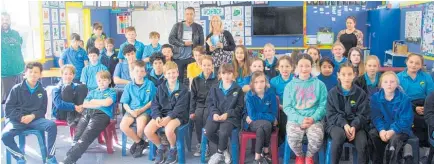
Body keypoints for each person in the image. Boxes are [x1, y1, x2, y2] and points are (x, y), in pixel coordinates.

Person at [2, 62, 58, 164]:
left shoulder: (42, 91)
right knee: (4, 136)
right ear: (25, 74)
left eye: (36, 72)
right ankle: (20, 158)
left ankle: (50, 157)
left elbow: (42, 110)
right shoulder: (16, 89)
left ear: (40, 75)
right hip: (17, 120)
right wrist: (20, 117)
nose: (33, 74)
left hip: (34, 120)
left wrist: (32, 116)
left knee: (51, 125)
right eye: (30, 72)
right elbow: (8, 109)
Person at [62, 71, 117, 164]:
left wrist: (94, 101)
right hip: (87, 113)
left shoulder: (112, 91)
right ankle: (70, 156)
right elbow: (85, 104)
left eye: (104, 80)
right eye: (99, 81)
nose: (102, 82)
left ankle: (69, 160)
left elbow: (107, 103)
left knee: (85, 137)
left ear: (109, 81)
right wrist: (99, 103)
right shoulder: (93, 91)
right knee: (77, 136)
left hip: (102, 115)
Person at [283, 54, 327, 164]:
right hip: (295, 119)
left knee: (317, 138)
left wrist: (313, 118)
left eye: (307, 66)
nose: (304, 69)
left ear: (311, 66)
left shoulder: (320, 84)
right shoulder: (289, 86)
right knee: (292, 138)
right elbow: (287, 107)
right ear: (296, 67)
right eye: (301, 66)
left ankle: (309, 156)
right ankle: (300, 156)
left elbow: (323, 105)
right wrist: (300, 119)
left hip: (314, 119)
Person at [144, 61, 189, 164]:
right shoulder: (161, 88)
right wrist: (157, 116)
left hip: (178, 116)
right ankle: (161, 147)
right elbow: (155, 104)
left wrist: (169, 118)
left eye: (174, 73)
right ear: (164, 75)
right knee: (147, 131)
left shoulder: (183, 89)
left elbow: (180, 108)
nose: (171, 75)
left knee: (169, 130)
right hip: (162, 115)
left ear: (178, 73)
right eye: (168, 73)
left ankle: (173, 149)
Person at [326, 62, 370, 164]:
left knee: (362, 143)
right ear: (338, 75)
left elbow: (363, 114)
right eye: (343, 74)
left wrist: (354, 126)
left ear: (354, 75)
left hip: (357, 126)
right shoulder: (332, 93)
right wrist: (344, 124)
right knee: (339, 136)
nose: (346, 77)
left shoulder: (361, 94)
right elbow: (331, 114)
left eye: (350, 74)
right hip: (336, 124)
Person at [370, 71, 414, 164]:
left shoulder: (404, 99)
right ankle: (379, 160)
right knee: (373, 134)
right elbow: (376, 116)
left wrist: (392, 130)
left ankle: (392, 161)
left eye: (392, 81)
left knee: (394, 140)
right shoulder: (375, 97)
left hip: (400, 129)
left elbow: (406, 119)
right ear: (381, 84)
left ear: (397, 84)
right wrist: (381, 130)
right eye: (385, 82)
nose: (389, 84)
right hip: (383, 128)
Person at [205, 63, 244, 164]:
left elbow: (240, 107)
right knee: (208, 132)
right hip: (216, 115)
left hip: (231, 117)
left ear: (234, 74)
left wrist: (228, 114)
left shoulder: (238, 89)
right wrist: (214, 113)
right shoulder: (214, 88)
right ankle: (224, 148)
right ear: (219, 74)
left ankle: (219, 153)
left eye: (229, 73)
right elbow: (209, 103)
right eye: (224, 73)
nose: (227, 76)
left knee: (223, 132)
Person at [397, 53, 434, 152]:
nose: (414, 65)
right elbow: (399, 98)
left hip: (425, 104)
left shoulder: (426, 76)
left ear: (421, 65)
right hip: (407, 105)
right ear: (406, 62)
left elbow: (431, 95)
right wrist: (414, 108)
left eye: (417, 63)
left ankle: (428, 147)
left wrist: (426, 108)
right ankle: (412, 148)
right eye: (411, 62)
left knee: (429, 118)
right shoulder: (398, 77)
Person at [120, 61, 157, 158]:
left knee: (140, 128)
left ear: (145, 73)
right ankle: (140, 143)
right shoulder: (129, 86)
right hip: (131, 110)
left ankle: (137, 146)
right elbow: (125, 103)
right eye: (136, 71)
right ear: (132, 72)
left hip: (144, 110)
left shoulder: (150, 84)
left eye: (141, 71)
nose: (139, 74)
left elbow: (153, 101)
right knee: (123, 126)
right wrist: (131, 111)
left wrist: (141, 110)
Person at [245, 71, 278, 164]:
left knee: (262, 129)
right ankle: (266, 151)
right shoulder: (249, 95)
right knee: (266, 124)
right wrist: (267, 116)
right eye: (256, 82)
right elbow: (253, 116)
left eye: (262, 81)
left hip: (263, 123)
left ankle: (257, 158)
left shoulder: (271, 94)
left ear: (266, 82)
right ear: (252, 84)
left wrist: (263, 116)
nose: (259, 84)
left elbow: (273, 113)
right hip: (253, 123)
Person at [189, 55, 218, 157]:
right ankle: (200, 143)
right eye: (204, 65)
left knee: (206, 116)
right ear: (200, 66)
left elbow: (218, 96)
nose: (207, 67)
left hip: (211, 106)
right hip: (199, 105)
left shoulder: (217, 79)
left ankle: (207, 145)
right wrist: (191, 111)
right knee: (197, 116)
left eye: (209, 65)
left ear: (212, 66)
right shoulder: (196, 80)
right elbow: (192, 97)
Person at [169, 7, 204, 83]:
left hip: (192, 58)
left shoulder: (198, 27)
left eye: (191, 14)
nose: (189, 16)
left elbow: (201, 44)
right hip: (178, 58)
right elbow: (171, 39)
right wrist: (183, 43)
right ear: (185, 15)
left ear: (194, 15)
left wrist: (196, 54)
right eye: (187, 14)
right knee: (179, 80)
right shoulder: (177, 26)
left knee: (194, 80)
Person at [1, 12, 25, 103]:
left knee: (20, 96)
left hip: (19, 70)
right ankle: (9, 117)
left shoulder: (16, 34)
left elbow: (19, 47)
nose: (4, 22)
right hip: (5, 73)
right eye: (2, 20)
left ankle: (19, 116)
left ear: (10, 21)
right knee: (9, 99)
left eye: (6, 19)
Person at [270, 55, 294, 145]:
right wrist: (280, 106)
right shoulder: (273, 81)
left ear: (292, 67)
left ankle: (292, 145)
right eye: (282, 66)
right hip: (279, 109)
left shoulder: (296, 80)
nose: (285, 69)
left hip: (293, 109)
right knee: (282, 122)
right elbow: (272, 98)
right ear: (277, 68)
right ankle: (282, 145)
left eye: (287, 66)